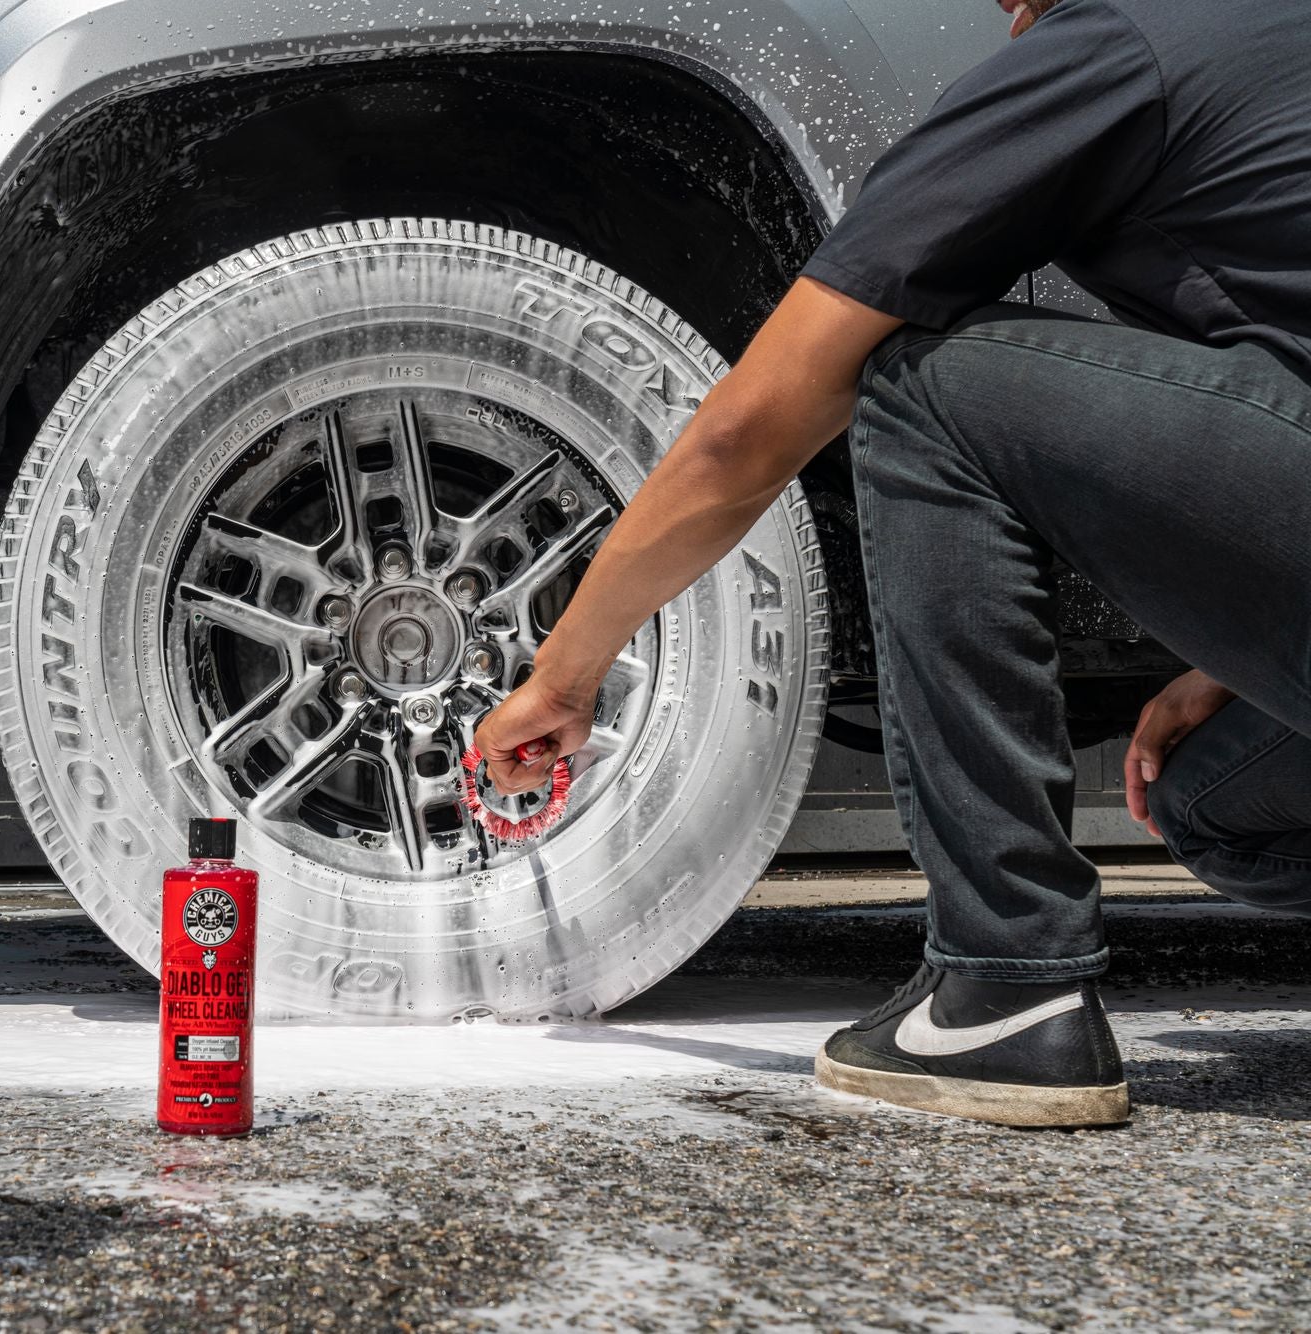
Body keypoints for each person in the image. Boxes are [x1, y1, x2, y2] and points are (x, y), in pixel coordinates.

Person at [474, 0, 1311, 1127]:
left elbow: (744, 433)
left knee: (918, 381)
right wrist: (1235, 640)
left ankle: (1002, 984)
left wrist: (566, 670)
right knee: (1209, 794)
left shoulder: (1107, 48)